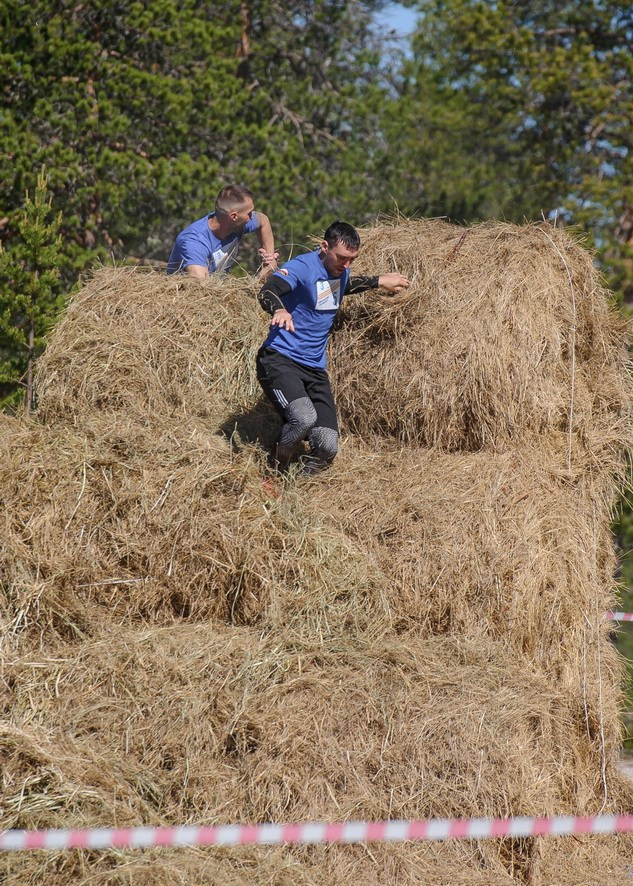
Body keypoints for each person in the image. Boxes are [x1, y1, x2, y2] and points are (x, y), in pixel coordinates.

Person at [256, 220, 410, 474]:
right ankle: (274, 470)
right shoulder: (302, 267)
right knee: (303, 419)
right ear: (324, 246)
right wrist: (280, 308)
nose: (347, 265)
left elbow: (335, 289)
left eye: (352, 259)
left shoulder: (340, 270)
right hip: (279, 359)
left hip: (314, 370)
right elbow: (268, 290)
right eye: (341, 258)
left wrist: (378, 281)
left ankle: (299, 484)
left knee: (328, 447)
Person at [166, 184, 278, 278]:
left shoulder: (238, 224)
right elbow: (201, 290)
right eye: (249, 213)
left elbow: (263, 220)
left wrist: (269, 259)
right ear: (233, 216)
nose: (251, 217)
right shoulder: (194, 242)